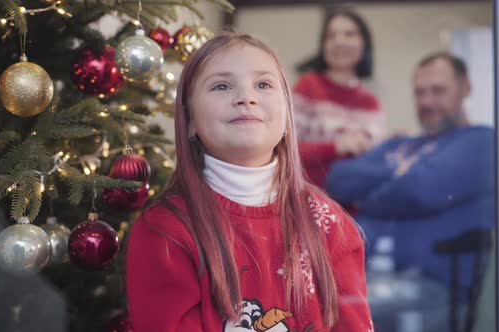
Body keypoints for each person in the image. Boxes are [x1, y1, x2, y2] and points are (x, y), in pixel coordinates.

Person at [126, 33, 373, 332]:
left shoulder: (332, 224)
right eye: (221, 86)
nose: (246, 97)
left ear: (287, 117)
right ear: (189, 120)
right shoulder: (165, 230)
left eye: (263, 85)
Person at [325, 52, 495, 301]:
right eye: (419, 92)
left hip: (431, 287)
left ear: (465, 88)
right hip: (363, 276)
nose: (426, 101)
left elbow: (421, 189)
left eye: (438, 91)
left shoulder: (480, 140)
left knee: (331, 313)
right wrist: (399, 173)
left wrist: (367, 200)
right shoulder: (400, 144)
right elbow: (338, 179)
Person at [294, 9, 384, 188]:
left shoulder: (372, 103)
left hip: (355, 202)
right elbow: (285, 149)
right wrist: (335, 147)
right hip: (309, 196)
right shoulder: (306, 87)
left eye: (349, 34)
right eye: (331, 35)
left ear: (364, 44)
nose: (339, 41)